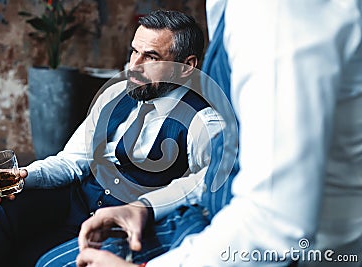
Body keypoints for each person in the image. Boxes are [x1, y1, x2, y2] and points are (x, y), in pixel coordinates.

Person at [73, 0, 362, 266]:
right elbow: (226, 170)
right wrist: (145, 207)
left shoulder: (273, 11)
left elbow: (276, 222)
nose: (134, 66)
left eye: (150, 57)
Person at [0, 10, 225, 267]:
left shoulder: (203, 122)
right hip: (75, 204)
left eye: (151, 57)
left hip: (119, 227)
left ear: (186, 67)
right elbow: (72, 161)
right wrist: (25, 175)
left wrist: (145, 208)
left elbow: (207, 186)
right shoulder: (115, 95)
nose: (134, 66)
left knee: (40, 259)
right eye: (134, 51)